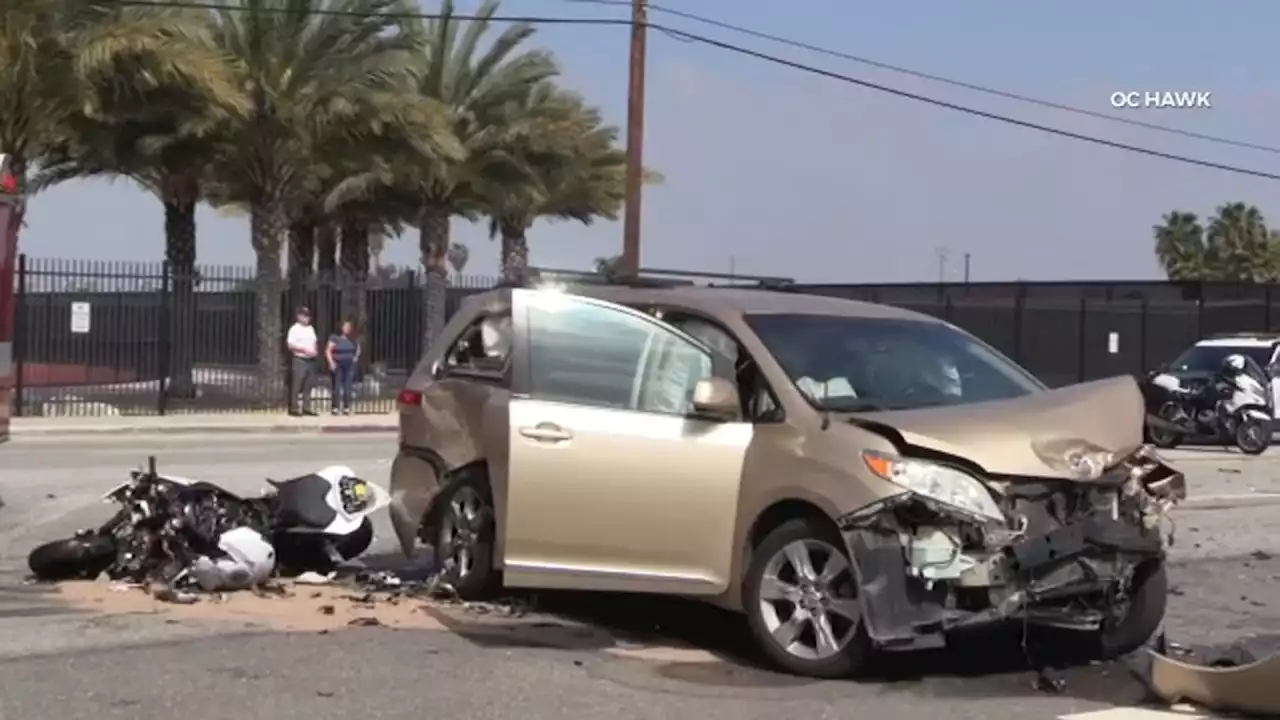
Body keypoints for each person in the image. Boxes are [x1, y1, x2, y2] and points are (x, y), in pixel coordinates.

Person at [286, 307, 319, 416]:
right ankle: (294, 408)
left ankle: (306, 407)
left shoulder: (310, 329)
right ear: (299, 316)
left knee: (308, 385)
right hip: (300, 359)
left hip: (311, 360)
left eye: (308, 316)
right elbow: (290, 345)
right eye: (304, 315)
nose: (307, 318)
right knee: (297, 384)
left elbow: (315, 341)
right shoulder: (294, 329)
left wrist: (315, 350)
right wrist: (304, 350)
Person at [325, 320, 360, 415]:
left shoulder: (352, 339)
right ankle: (335, 407)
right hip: (338, 363)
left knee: (347, 386)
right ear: (341, 327)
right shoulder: (335, 338)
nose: (347, 328)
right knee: (337, 385)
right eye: (345, 326)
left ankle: (346, 407)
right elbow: (328, 350)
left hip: (349, 364)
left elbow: (358, 348)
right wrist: (331, 362)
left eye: (349, 327)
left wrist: (355, 358)